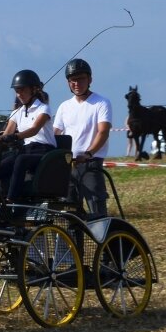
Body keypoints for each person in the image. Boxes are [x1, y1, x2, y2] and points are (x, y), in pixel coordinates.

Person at [53, 59, 112, 218]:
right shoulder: (64, 107)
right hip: (68, 164)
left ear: (90, 79)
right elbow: (56, 134)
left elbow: (103, 132)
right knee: (69, 212)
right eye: (72, 80)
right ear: (68, 83)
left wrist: (88, 154)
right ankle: (72, 242)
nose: (76, 83)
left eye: (80, 78)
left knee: (96, 208)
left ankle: (103, 240)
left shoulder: (101, 103)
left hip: (90, 163)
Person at [0, 70, 56, 202]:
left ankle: (11, 200)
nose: (19, 94)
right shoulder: (17, 112)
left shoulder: (43, 109)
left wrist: (16, 137)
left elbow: (34, 130)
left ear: (34, 89)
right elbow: (7, 134)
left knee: (20, 160)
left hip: (44, 152)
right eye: (17, 91)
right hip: (27, 150)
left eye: (22, 90)